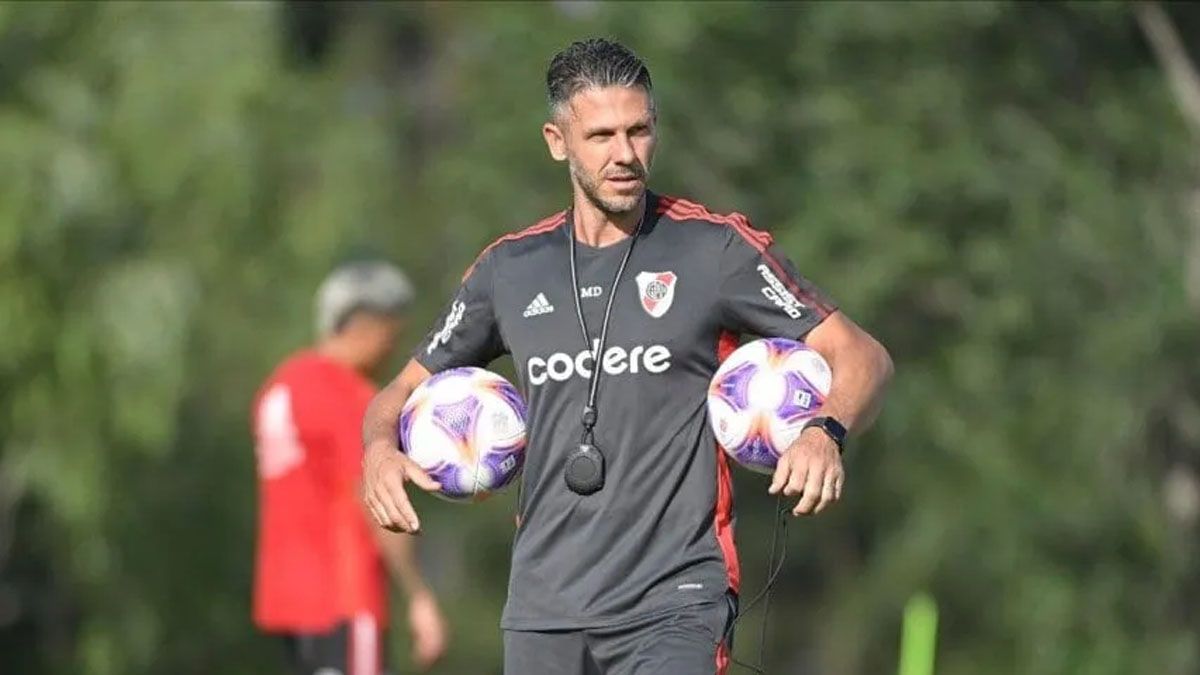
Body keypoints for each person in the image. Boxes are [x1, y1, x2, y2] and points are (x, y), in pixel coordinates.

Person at [361, 38, 893, 675]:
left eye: (638, 131)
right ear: (558, 142)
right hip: (542, 604)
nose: (624, 155)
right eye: (602, 135)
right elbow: (395, 396)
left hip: (675, 598)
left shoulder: (713, 250)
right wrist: (377, 451)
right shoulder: (509, 270)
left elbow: (860, 354)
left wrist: (824, 430)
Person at [252, 261, 448, 675]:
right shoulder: (347, 394)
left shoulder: (280, 384)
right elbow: (373, 496)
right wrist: (418, 597)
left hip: (286, 601)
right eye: (388, 335)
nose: (390, 350)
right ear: (360, 323)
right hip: (343, 597)